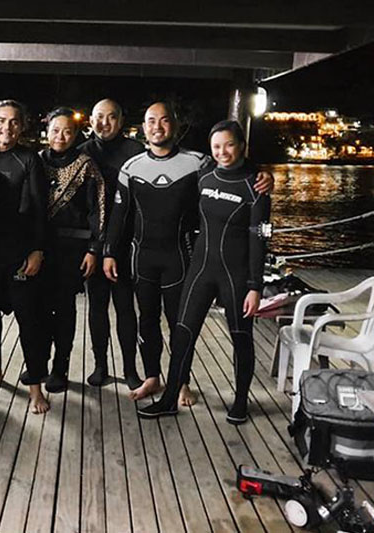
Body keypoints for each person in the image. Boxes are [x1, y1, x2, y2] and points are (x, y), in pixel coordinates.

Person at [103, 102, 272, 404]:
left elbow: (231, 170)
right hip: (142, 256)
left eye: (164, 120)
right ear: (143, 127)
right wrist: (109, 252)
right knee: (147, 320)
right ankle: (152, 377)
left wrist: (262, 175)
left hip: (180, 256)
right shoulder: (131, 167)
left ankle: (181, 382)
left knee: (180, 324)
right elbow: (119, 214)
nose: (157, 127)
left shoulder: (198, 163)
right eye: (151, 121)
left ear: (175, 125)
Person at [139, 120, 270, 424]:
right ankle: (169, 399)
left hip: (237, 275)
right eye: (216, 146)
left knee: (241, 336)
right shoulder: (204, 175)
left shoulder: (257, 187)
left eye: (229, 145)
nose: (223, 152)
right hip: (200, 270)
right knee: (183, 333)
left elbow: (261, 238)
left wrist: (255, 286)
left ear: (242, 146)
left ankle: (240, 401)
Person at [0, 99, 51, 414]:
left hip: (19, 251)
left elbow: (40, 210)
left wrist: (37, 249)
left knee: (28, 320)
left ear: (22, 126)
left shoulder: (29, 159)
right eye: (1, 120)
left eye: (14, 121)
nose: (7, 127)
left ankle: (35, 387)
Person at [78, 98, 144, 389]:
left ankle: (130, 368)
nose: (104, 123)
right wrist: (93, 246)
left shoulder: (136, 151)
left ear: (121, 121)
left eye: (111, 117)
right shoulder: (82, 152)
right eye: (99, 117)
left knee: (125, 307)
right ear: (91, 120)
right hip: (94, 243)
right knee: (97, 307)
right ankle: (100, 365)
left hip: (126, 244)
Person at [40, 107, 106, 394]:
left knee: (65, 309)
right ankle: (39, 363)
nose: (61, 136)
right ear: (47, 132)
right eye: (55, 130)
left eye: (67, 131)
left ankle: (60, 367)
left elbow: (97, 210)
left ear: (76, 134)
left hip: (73, 248)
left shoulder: (86, 165)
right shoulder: (37, 160)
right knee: (40, 308)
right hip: (41, 246)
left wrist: (94, 249)